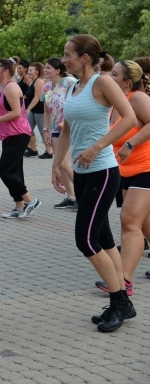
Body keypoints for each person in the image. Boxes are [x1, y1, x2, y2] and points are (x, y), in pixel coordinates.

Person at [52, 35, 136, 332]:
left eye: (68, 54)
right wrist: (56, 164)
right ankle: (123, 301)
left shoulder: (102, 83)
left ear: (84, 57)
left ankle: (119, 302)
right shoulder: (74, 87)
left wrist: (98, 147)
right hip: (82, 173)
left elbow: (129, 118)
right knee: (103, 240)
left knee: (86, 240)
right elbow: (66, 130)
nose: (64, 59)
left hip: (102, 171)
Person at [90, 60, 150, 299]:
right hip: (125, 171)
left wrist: (130, 144)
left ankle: (123, 281)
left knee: (129, 221)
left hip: (146, 168)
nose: (107, 76)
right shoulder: (115, 103)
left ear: (127, 82)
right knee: (143, 224)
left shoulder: (137, 98)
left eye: (114, 74)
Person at [0, 58, 41, 219]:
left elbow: (16, 113)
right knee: (14, 171)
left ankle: (31, 200)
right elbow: (2, 112)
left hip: (19, 134)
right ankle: (19, 207)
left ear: (5, 71)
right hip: (9, 135)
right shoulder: (2, 87)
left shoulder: (11, 87)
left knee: (5, 171)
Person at [43, 58, 77, 208]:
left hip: (69, 127)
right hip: (55, 128)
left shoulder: (69, 82)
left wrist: (66, 120)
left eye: (48, 68)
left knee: (64, 162)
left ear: (58, 70)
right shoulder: (46, 87)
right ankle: (71, 197)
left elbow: (76, 103)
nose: (45, 70)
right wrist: (46, 130)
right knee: (60, 165)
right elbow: (46, 111)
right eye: (45, 67)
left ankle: (84, 193)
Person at [24, 62, 48, 158]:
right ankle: (33, 150)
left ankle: (49, 151)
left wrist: (28, 109)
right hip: (33, 110)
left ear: (37, 72)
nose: (28, 72)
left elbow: (37, 97)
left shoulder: (39, 81)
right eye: (28, 70)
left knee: (42, 130)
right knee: (28, 128)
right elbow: (27, 95)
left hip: (40, 110)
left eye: (31, 70)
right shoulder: (31, 81)